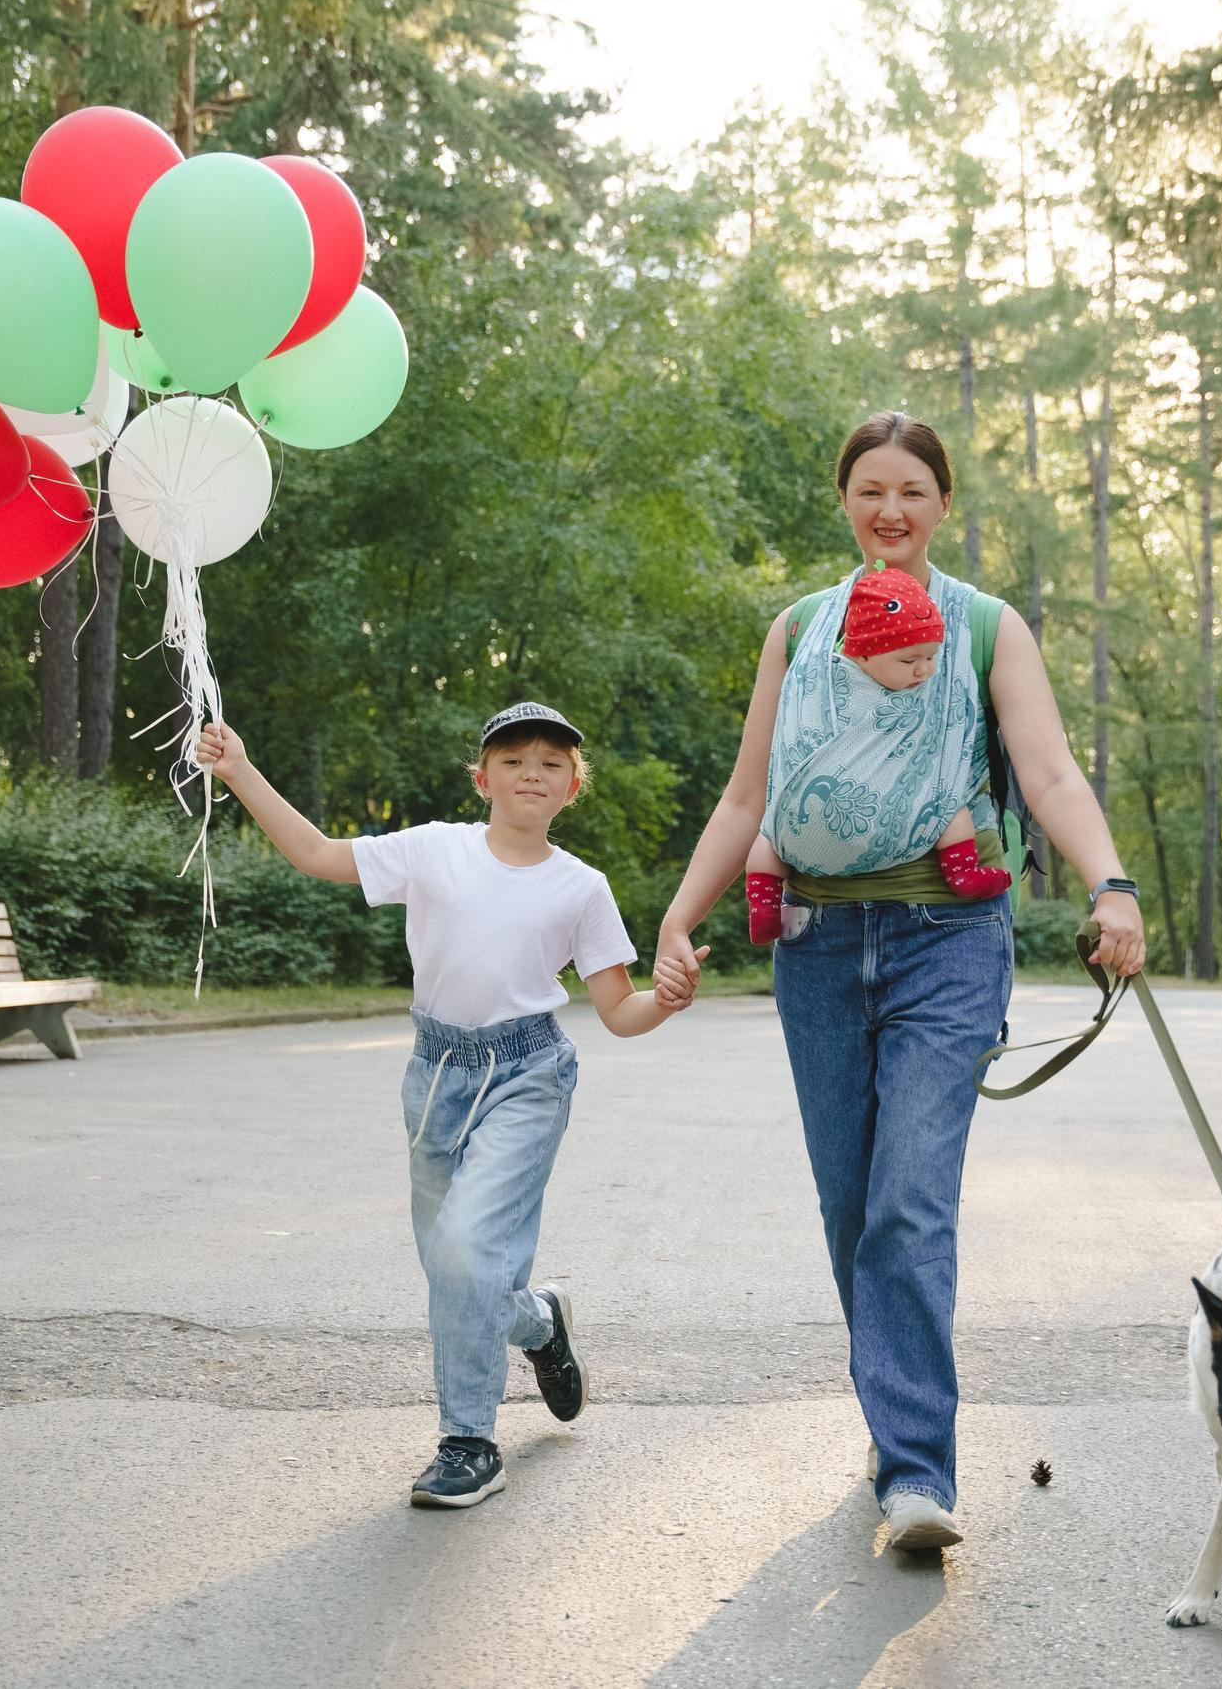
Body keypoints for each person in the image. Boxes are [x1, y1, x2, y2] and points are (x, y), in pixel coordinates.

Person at [656, 411, 1148, 1554]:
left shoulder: (984, 627)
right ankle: (895, 1424)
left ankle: (918, 1471)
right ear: (844, 500)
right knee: (849, 1207)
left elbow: (1050, 768)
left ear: (941, 504)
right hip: (817, 947)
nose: (891, 508)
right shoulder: (797, 629)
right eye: (871, 488)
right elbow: (745, 799)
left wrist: (1110, 884)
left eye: (913, 491)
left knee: (908, 1200)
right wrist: (680, 915)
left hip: (945, 941)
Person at [196, 701, 698, 1510]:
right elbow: (318, 852)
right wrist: (239, 768)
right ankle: (539, 1322)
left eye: (550, 762)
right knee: (453, 1270)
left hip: (529, 1074)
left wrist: (666, 1001)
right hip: (434, 1079)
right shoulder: (433, 850)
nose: (532, 771)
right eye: (513, 759)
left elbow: (618, 1010)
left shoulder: (583, 887)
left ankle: (468, 1441)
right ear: (482, 778)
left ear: (574, 785)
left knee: (466, 1252)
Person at [741, 567, 1011, 943]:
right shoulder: (838, 680)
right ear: (862, 655)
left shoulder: (817, 672)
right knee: (950, 803)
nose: (926, 671)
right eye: (909, 661)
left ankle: (763, 903)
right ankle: (963, 872)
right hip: (869, 813)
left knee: (771, 835)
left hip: (806, 829)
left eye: (932, 657)